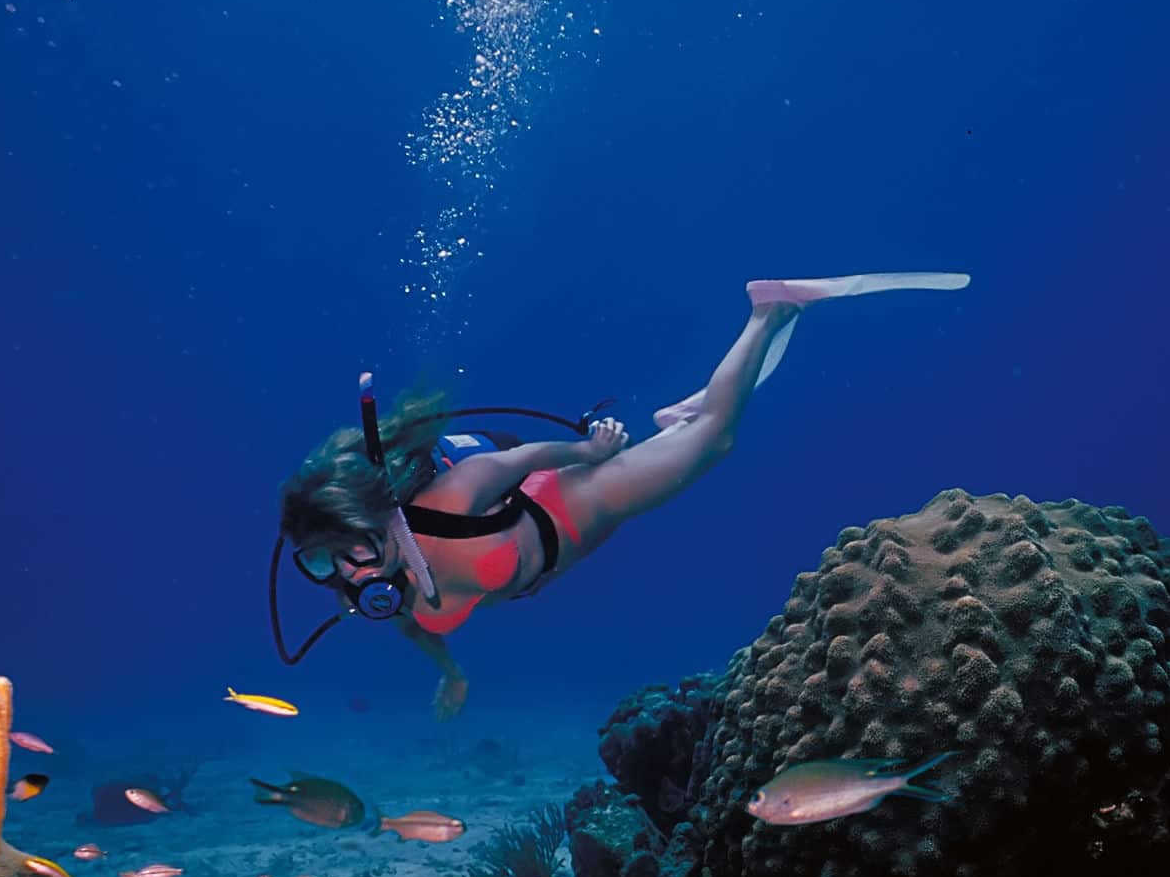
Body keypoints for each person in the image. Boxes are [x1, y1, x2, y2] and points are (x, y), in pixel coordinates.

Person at [274, 272, 969, 718]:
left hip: (575, 504)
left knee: (716, 442)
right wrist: (451, 674)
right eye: (322, 562)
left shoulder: (449, 501)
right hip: (561, 552)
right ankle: (680, 417)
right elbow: (411, 622)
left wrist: (590, 452)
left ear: (375, 514)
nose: (350, 571)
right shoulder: (366, 588)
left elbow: (520, 458)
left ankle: (768, 309)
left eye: (354, 547)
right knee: (689, 439)